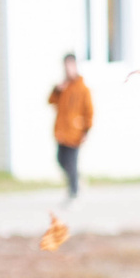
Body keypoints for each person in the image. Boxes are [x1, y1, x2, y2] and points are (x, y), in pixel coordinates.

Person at [48, 54, 92, 200]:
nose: (68, 69)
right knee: (60, 159)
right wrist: (57, 90)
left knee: (71, 162)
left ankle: (74, 193)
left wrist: (86, 130)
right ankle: (76, 179)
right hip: (61, 131)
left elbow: (89, 111)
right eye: (66, 65)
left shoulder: (82, 89)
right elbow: (50, 101)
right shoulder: (63, 86)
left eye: (71, 65)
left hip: (75, 132)